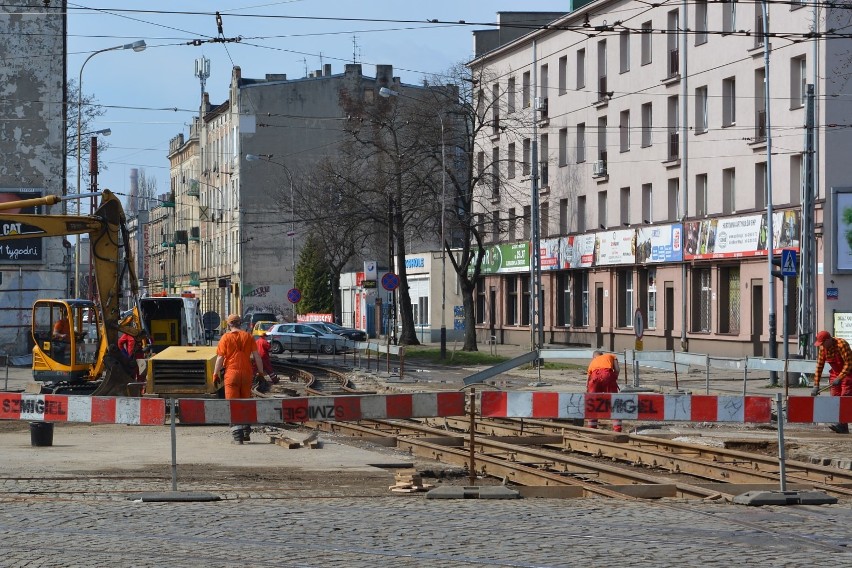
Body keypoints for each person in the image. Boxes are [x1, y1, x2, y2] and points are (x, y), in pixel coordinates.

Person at [213, 314, 267, 444]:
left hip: (231, 374)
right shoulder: (248, 337)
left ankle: (238, 437)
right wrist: (260, 373)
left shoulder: (225, 338)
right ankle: (246, 431)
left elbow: (220, 358)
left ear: (229, 324)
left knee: (233, 405)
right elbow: (257, 357)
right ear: (240, 323)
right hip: (247, 374)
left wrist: (215, 374)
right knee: (245, 403)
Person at [812, 330, 852, 434]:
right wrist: (816, 385)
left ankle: (842, 424)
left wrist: (840, 377)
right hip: (835, 374)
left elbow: (849, 363)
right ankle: (841, 425)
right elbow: (819, 366)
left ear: (828, 340)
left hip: (848, 374)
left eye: (822, 343)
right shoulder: (823, 349)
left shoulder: (841, 344)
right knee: (835, 398)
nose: (822, 346)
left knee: (844, 398)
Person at [586, 350, 622, 432]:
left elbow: (588, 380)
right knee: (614, 402)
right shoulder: (611, 356)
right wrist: (613, 378)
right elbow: (617, 369)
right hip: (607, 375)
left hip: (594, 378)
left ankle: (592, 427)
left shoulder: (593, 362)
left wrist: (588, 389)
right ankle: (617, 429)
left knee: (593, 403)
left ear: (594, 357)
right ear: (602, 355)